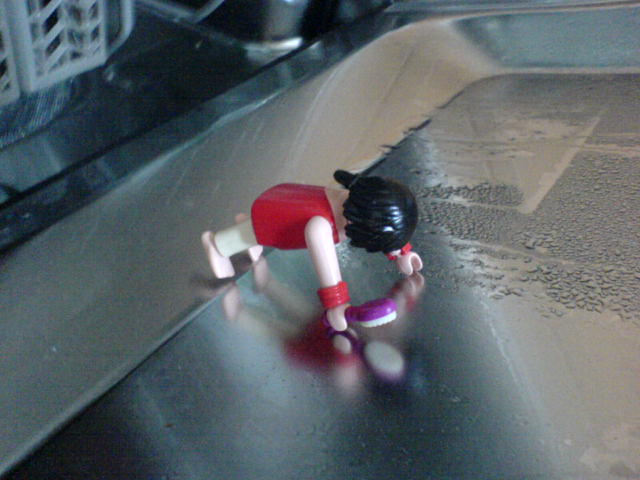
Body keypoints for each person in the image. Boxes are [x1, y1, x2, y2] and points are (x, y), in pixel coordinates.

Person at [201, 170, 423, 331]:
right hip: (278, 217)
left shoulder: (354, 201)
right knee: (257, 230)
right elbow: (327, 266)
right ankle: (218, 245)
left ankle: (247, 229)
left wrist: (401, 251)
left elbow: (379, 219)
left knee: (256, 230)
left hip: (286, 201)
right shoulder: (321, 226)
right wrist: (337, 304)